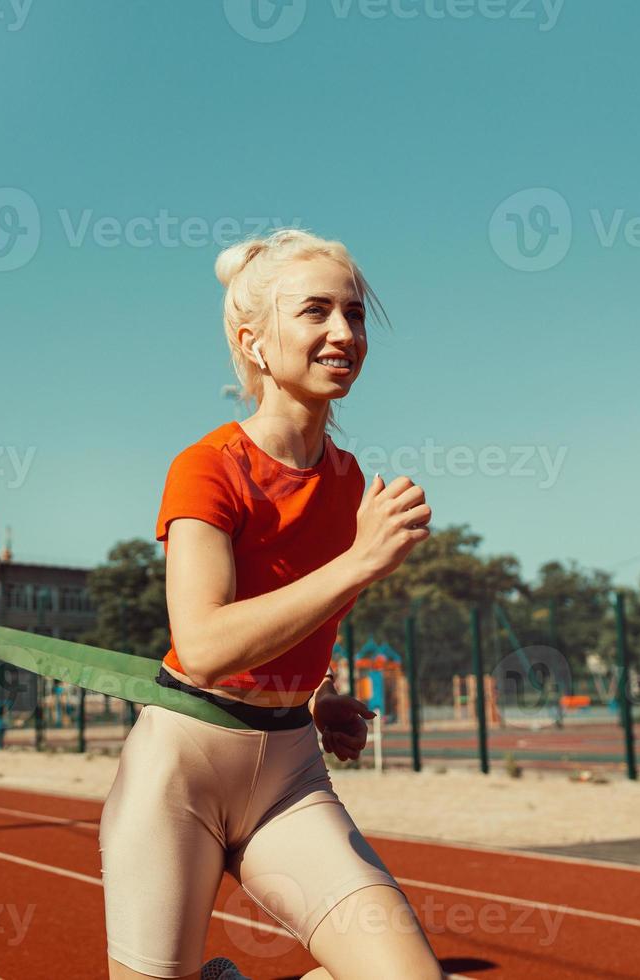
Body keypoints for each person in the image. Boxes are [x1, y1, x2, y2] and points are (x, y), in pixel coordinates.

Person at [98, 230, 444, 980]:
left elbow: (297, 613)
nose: (343, 333)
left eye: (353, 314)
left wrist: (317, 694)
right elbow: (208, 643)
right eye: (316, 311)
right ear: (254, 343)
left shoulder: (350, 483)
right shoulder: (206, 468)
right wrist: (360, 561)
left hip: (288, 769)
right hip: (182, 766)